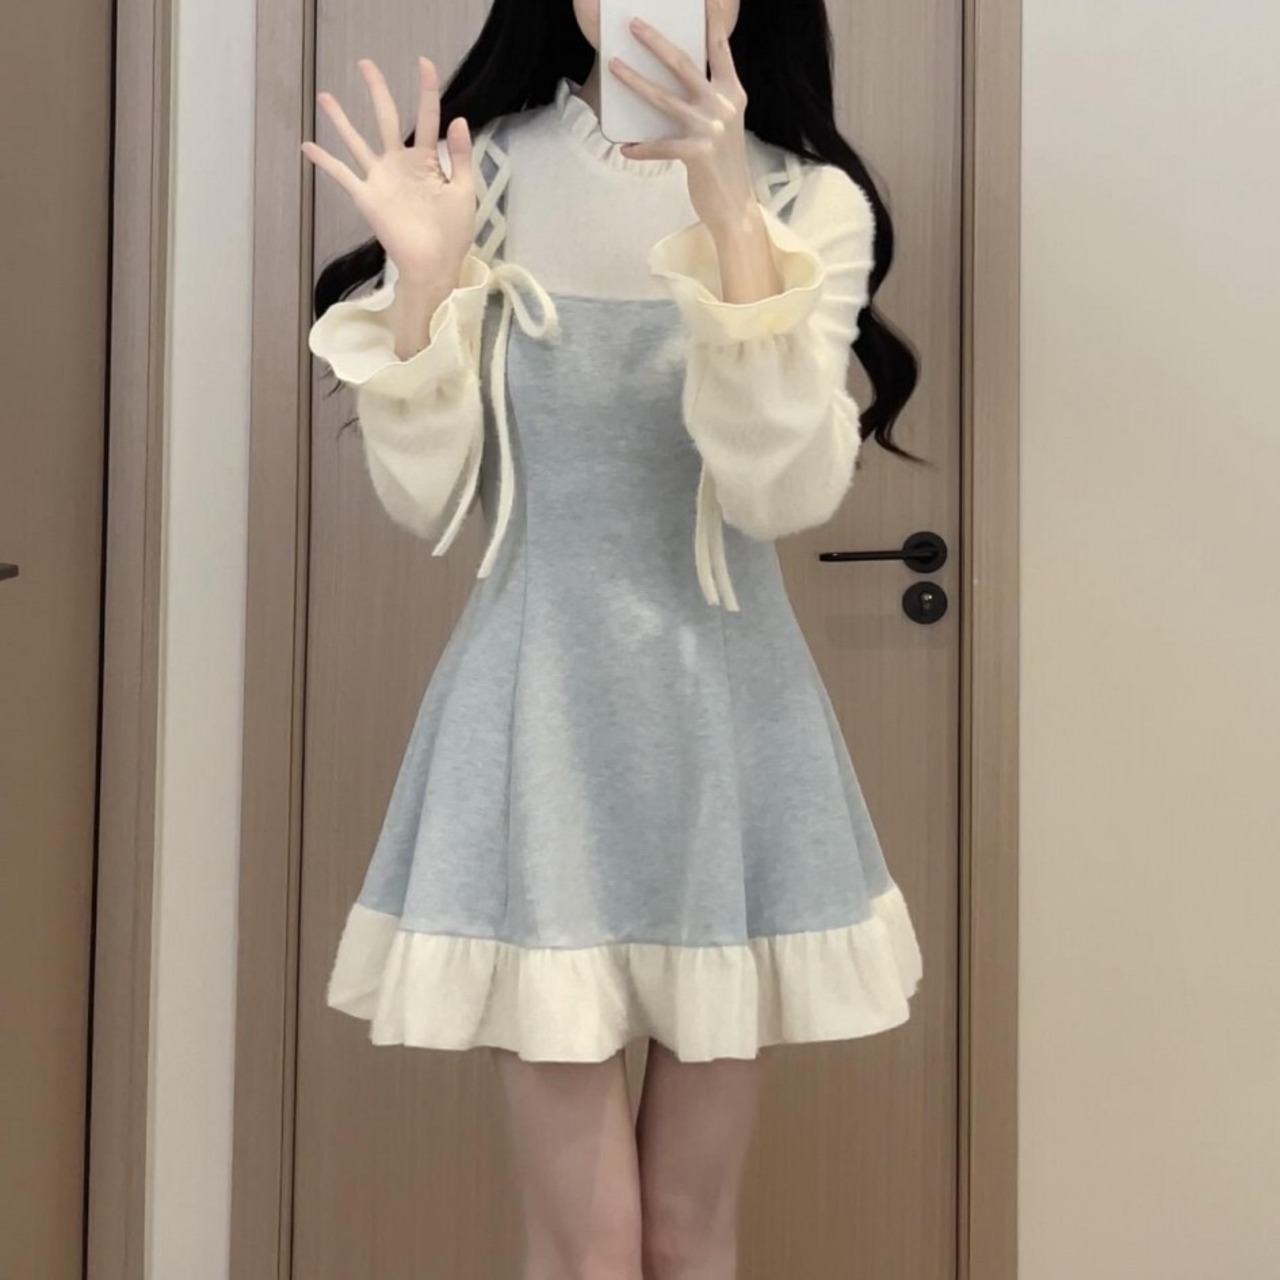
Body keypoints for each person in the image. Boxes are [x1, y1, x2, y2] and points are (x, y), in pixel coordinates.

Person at [302, 0, 923, 1275]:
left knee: (688, 1234)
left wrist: (729, 222)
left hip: (727, 729)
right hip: (536, 722)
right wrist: (424, 283)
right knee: (587, 1244)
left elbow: (779, 493)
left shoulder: (808, 202)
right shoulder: (480, 176)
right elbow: (425, 497)